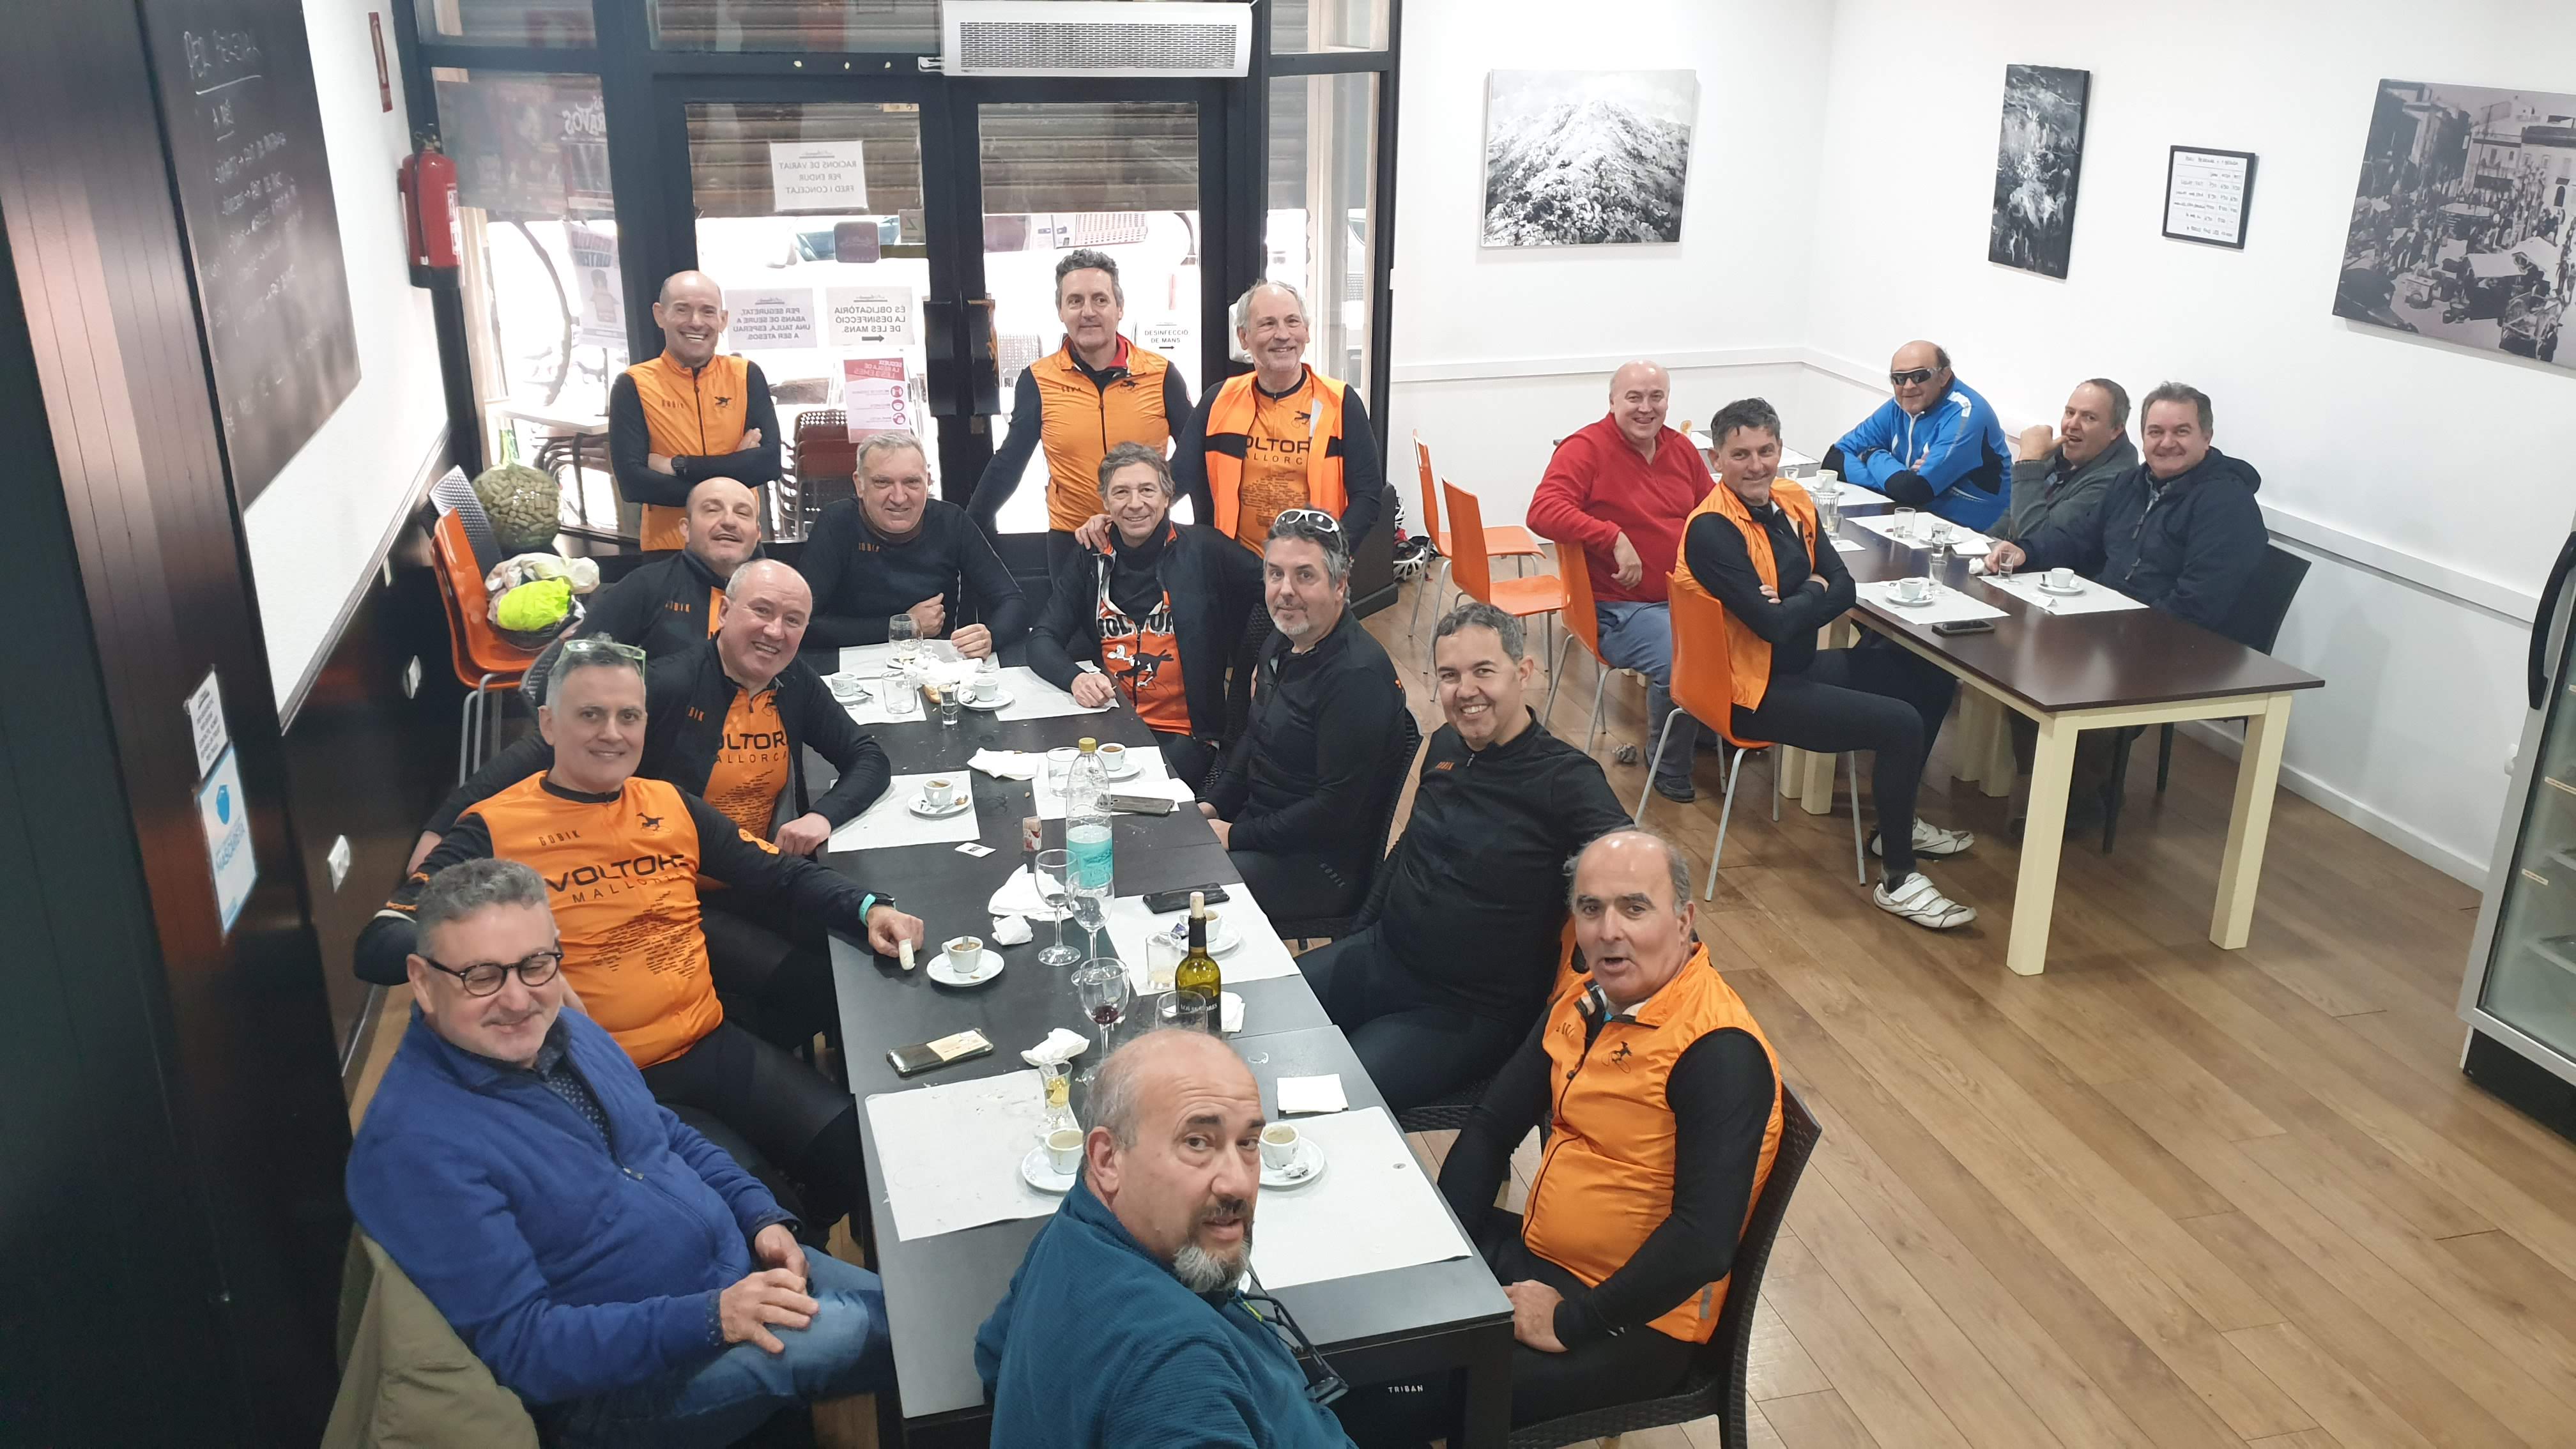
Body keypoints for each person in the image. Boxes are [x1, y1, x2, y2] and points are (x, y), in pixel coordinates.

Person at [356, 638, 926, 1238]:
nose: (612, 733)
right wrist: (501, 962)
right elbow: (381, 940)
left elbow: (779, 874)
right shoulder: (494, 829)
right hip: (612, 1074)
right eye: (590, 715)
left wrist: (867, 907)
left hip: (710, 1042)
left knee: (860, 1155)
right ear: (548, 724)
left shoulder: (668, 804)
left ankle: (790, 1227)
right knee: (766, 1214)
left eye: (628, 716)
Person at [346, 859, 894, 1448]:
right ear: (422, 981)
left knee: (915, 1310)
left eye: (535, 965)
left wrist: (759, 1216)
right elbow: (526, 1348)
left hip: (733, 1276)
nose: (519, 999)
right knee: (899, 1335)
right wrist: (713, 1316)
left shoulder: (565, 1031)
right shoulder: (416, 1149)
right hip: (630, 1386)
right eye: (481, 976)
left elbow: (666, 1133)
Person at [1332, 831, 1782, 1441]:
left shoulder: (1718, 1052)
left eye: (1635, 907)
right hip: (1540, 1255)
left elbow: (1703, 1243)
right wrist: (1447, 1252)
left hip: (1634, 1321)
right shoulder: (1587, 1000)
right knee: (1350, 1301)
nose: (1609, 931)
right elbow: (1492, 1126)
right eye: (1591, 909)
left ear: (1684, 921)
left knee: (1383, 1391)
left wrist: (1570, 1322)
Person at [414, 562, 894, 1052]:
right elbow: (543, 747)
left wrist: (822, 815)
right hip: (675, 891)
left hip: (752, 870)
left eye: (792, 620)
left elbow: (869, 757)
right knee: (817, 978)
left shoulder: (791, 681)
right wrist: (441, 826)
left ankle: (767, 1054)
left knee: (848, 961)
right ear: (724, 613)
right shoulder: (671, 683)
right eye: (762, 612)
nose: (775, 631)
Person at [1296, 601, 1631, 1110]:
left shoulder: (1567, 780)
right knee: (1257, 1019)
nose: (1465, 691)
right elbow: (1407, 851)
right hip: (1385, 955)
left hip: (1468, 1009)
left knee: (1328, 1099)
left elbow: (1637, 872)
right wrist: (1356, 938)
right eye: (1450, 675)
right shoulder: (1444, 745)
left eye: (1483, 671)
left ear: (1524, 673)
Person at [974, 1029, 1359, 1448]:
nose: (1237, 1183)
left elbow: (993, 1353)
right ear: (1107, 1159)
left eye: (1248, 1143)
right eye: (1197, 1143)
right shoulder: (1177, 1373)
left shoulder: (1077, 1223)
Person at [1681, 397, 1975, 930]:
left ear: (1780, 449)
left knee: (1931, 678)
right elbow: (1775, 625)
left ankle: (1896, 824)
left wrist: (1798, 596)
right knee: (1900, 723)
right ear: (1716, 460)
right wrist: (1812, 588)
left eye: (1766, 450)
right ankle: (1898, 879)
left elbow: (1844, 587)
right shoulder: (1711, 530)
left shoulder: (1794, 500)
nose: (1756, 465)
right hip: (1749, 690)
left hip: (1793, 668)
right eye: (1740, 455)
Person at [1200, 511, 1408, 923]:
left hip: (1318, 867)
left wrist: (1235, 835)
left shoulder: (1356, 677)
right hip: (1264, 830)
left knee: (1181, 889)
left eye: (1305, 576)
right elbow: (1254, 738)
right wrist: (1213, 805)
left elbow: (1333, 811)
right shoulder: (1282, 639)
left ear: (1340, 584)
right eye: (1275, 574)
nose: (1285, 591)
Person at [1525, 360, 1717, 802]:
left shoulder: (1681, 450)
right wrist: (1611, 537)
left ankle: (1710, 726)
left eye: (1656, 397)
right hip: (1618, 608)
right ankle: (1667, 763)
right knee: (1681, 655)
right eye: (1634, 398)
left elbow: (1713, 514)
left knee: (1757, 627)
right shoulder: (1585, 449)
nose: (1646, 408)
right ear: (1612, 402)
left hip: (1685, 595)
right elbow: (1542, 511)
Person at [1028, 442, 1262, 788]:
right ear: (1105, 502)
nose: (1135, 503)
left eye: (1147, 490)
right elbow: (1042, 639)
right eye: (1121, 492)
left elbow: (1276, 591)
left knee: (1130, 794)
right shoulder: (1090, 556)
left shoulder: (1205, 548)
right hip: (1108, 722)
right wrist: (1075, 678)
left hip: (1185, 735)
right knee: (1057, 782)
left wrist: (1272, 659)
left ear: (1167, 496)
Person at [968, 249, 1193, 574]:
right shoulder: (1038, 379)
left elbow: (1195, 455)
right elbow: (1009, 463)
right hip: (1072, 540)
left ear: (1119, 308)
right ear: (1061, 311)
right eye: (1075, 301)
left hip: (1146, 536)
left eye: (1100, 300)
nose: (1088, 312)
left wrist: (1152, 505)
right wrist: (965, 532)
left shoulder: (1161, 374)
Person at [1984, 382, 2267, 634]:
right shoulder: (2131, 483)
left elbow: (2198, 605)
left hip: (2175, 646)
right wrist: (2026, 551)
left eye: (2181, 432)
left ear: (2207, 438)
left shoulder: (2227, 504)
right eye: (2155, 432)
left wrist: (2115, 631)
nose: (2167, 443)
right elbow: (2078, 539)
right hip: (2109, 626)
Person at [1152, 281, 1385, 555]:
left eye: (1293, 321)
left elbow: (1368, 497)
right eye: (1268, 324)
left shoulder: (1341, 402)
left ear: (1306, 332)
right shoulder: (1218, 401)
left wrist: (1329, 557)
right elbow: (1176, 479)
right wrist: (1131, 507)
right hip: (1231, 568)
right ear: (1243, 337)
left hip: (1312, 570)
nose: (1283, 335)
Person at [802, 429, 1031, 655]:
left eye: (912, 482)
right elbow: (801, 624)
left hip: (933, 664)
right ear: (860, 485)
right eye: (882, 482)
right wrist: (905, 626)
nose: (899, 497)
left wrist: (990, 637)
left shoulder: (951, 521)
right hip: (850, 663)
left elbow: (1013, 602)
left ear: (928, 482)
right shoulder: (837, 522)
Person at [611, 271, 782, 552]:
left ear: (723, 319)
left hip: (741, 545)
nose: (696, 322)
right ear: (660, 315)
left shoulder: (745, 375)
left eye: (708, 311)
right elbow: (634, 484)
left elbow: (768, 464)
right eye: (682, 310)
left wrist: (678, 466)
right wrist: (736, 469)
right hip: (668, 548)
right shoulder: (634, 384)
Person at [574, 475, 765, 661]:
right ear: (686, 528)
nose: (729, 522)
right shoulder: (645, 587)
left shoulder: (774, 595)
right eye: (712, 510)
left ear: (757, 533)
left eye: (742, 513)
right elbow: (576, 666)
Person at [1823, 340, 2009, 532]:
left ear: (1944, 375)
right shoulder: (1900, 406)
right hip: (1914, 521)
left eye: (1919, 376)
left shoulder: (1967, 414)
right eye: (1899, 378)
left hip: (1975, 535)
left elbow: (1916, 490)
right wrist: (1896, 480)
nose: (1908, 386)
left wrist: (1872, 455)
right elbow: (1835, 459)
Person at [2002, 378, 2138, 540]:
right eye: (2070, 413)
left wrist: (2028, 461)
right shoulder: (2066, 450)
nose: (2072, 424)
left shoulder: (2116, 481)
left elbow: (2037, 542)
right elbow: (2013, 512)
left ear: (2116, 430)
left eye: (2089, 418)